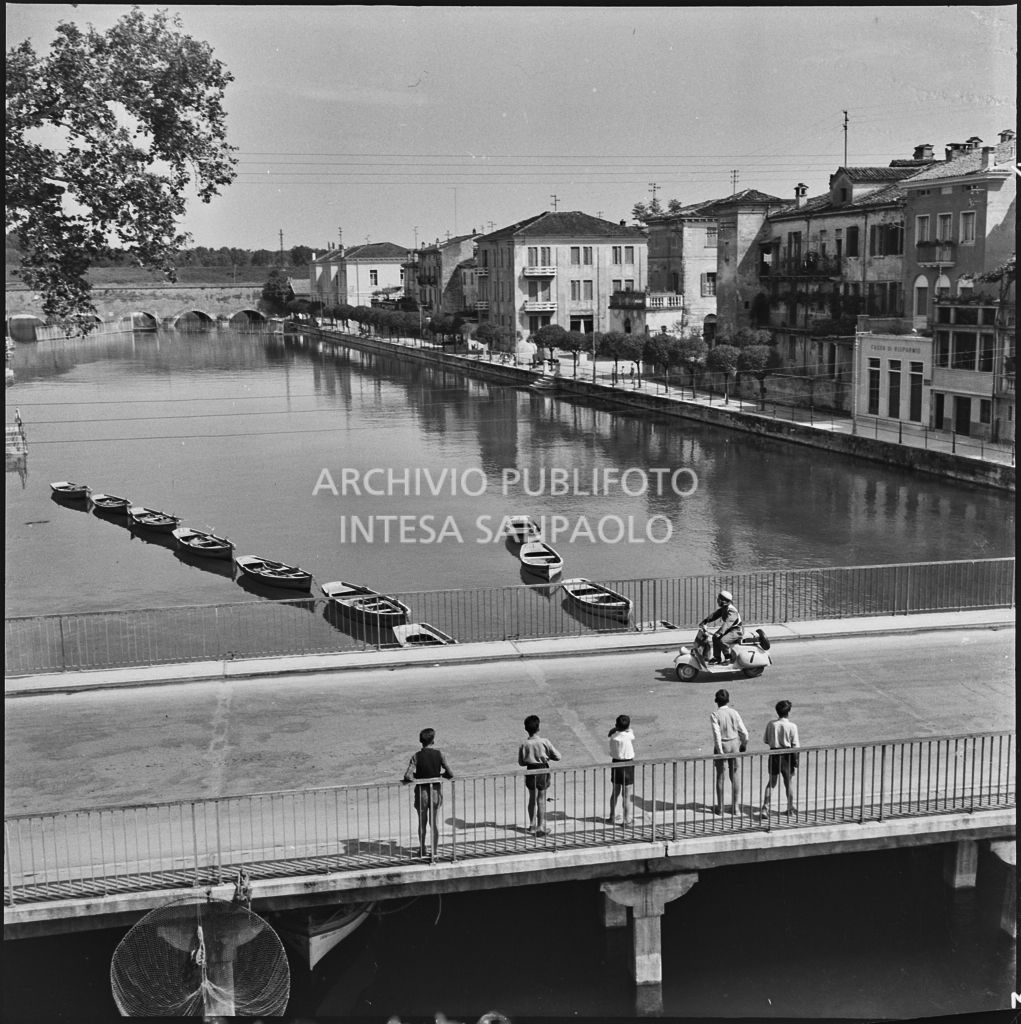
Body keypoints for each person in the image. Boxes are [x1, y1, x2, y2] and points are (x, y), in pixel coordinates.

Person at [401, 727, 454, 858]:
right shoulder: (440, 754)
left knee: (422, 822)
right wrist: (441, 775)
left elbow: (407, 776)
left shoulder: (416, 756)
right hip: (435, 791)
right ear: (433, 740)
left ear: (421, 741)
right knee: (434, 823)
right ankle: (434, 851)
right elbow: (451, 773)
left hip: (421, 792)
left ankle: (423, 849)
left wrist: (416, 777)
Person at [518, 714, 562, 836]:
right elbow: (558, 756)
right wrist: (547, 757)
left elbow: (521, 762)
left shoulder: (524, 744)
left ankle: (532, 826)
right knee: (541, 799)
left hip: (531, 770)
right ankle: (541, 826)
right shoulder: (545, 742)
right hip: (543, 770)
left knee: (532, 798)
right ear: (538, 728)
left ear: (526, 729)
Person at [710, 689, 749, 815]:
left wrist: (720, 751)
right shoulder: (734, 712)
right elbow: (744, 732)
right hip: (734, 744)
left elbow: (717, 734)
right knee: (735, 776)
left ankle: (720, 808)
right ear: (728, 700)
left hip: (723, 745)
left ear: (717, 701)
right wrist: (743, 744)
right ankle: (736, 807)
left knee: (721, 776)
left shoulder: (715, 715)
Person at [761, 700, 800, 817]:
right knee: (788, 783)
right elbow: (796, 746)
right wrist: (796, 761)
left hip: (774, 754)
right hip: (787, 755)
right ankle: (790, 807)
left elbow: (766, 740)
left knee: (771, 783)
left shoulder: (771, 724)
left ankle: (765, 807)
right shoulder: (792, 726)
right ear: (789, 712)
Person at [607, 714, 636, 826]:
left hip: (616, 763)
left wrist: (615, 729)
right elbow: (631, 732)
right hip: (628, 764)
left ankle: (612, 816)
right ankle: (626, 819)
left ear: (616, 725)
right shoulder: (628, 736)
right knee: (627, 795)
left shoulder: (614, 737)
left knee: (615, 792)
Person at [700, 590, 743, 664]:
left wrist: (720, 632)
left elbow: (728, 623)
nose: (717, 601)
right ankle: (717, 658)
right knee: (715, 637)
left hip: (736, 631)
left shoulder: (732, 610)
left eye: (719, 599)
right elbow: (715, 615)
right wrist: (705, 621)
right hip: (729, 629)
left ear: (723, 601)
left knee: (723, 640)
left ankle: (727, 658)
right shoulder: (724, 608)